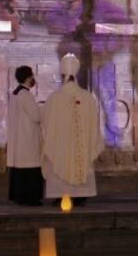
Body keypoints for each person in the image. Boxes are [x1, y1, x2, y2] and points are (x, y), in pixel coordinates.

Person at [41, 54, 102, 205]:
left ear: (62, 74)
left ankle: (61, 194)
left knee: (61, 158)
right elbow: (95, 122)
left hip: (62, 144)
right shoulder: (88, 98)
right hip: (81, 145)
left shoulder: (55, 98)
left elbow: (45, 120)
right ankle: (81, 194)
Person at [7, 65, 43, 206]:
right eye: (32, 75)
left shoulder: (15, 94)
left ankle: (19, 196)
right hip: (27, 138)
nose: (33, 78)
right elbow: (36, 116)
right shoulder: (25, 95)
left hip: (18, 138)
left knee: (20, 169)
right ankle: (30, 198)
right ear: (28, 77)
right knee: (30, 167)